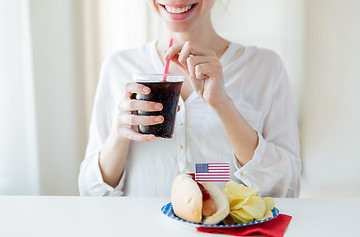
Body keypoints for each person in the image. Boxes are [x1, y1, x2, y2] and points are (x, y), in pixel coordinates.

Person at [78, 0, 302, 197]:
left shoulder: (265, 67)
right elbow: (91, 192)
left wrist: (223, 106)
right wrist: (119, 135)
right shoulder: (118, 68)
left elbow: (287, 189)